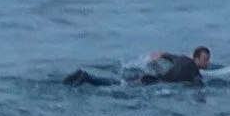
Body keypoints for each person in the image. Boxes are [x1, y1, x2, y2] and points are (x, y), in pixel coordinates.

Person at [63, 47, 212, 87]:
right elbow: (197, 87)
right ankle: (86, 78)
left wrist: (155, 58)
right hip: (152, 82)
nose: (207, 63)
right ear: (196, 58)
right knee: (113, 86)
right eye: (205, 60)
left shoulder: (182, 58)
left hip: (149, 76)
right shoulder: (194, 71)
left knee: (118, 82)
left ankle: (84, 77)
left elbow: (162, 54)